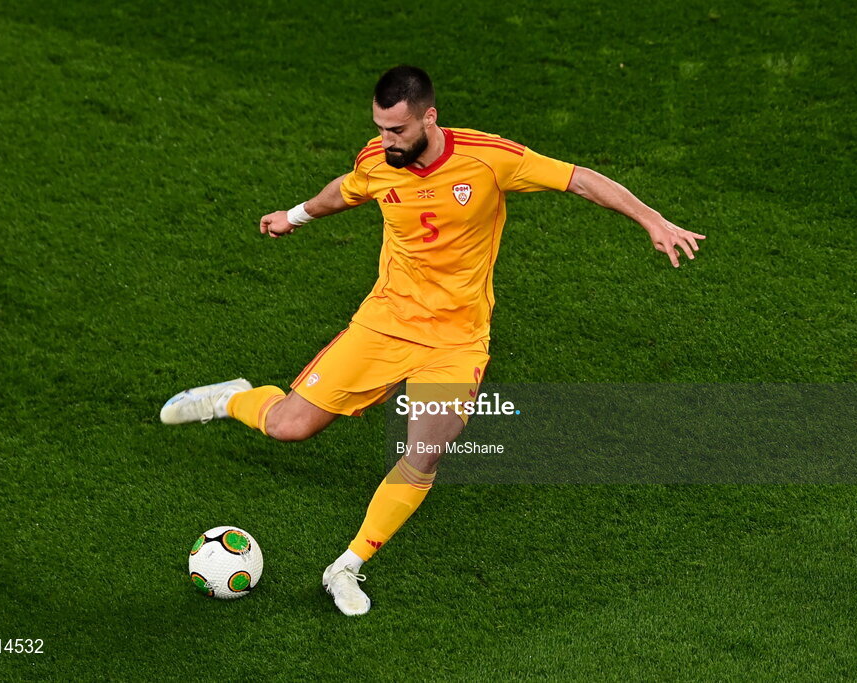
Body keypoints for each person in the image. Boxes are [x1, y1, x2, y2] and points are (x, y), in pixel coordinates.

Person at [160, 65, 705, 616]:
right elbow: (343, 193)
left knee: (423, 454)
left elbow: (580, 179)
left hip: (456, 341)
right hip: (385, 323)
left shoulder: (487, 159)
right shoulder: (377, 161)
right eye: (378, 128)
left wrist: (650, 218)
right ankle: (231, 397)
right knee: (288, 426)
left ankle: (346, 566)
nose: (384, 141)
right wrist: (293, 216)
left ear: (429, 117)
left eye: (396, 130)